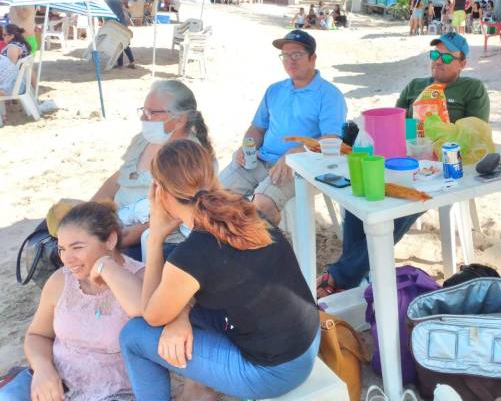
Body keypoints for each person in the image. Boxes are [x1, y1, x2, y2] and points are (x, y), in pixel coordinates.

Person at [119, 140, 320, 401]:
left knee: (133, 337)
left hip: (272, 372)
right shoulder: (247, 213)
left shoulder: (192, 255)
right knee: (175, 294)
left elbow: (151, 315)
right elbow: (219, 276)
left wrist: (155, 235)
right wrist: (179, 317)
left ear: (161, 193)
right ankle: (201, 388)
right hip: (306, 341)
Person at [317, 33, 490, 297]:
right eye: (434, 55)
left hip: (442, 170)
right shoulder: (414, 86)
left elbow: (476, 134)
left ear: (462, 63)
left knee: (402, 206)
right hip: (401, 161)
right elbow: (393, 124)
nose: (438, 61)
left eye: (446, 57)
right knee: (359, 191)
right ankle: (354, 272)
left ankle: (342, 276)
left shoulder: (471, 88)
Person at [0, 202, 144, 401]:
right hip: (57, 383)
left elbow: (141, 309)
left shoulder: (140, 277)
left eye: (77, 247)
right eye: (62, 249)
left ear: (110, 240)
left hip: (115, 393)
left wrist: (105, 267)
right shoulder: (61, 279)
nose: (67, 259)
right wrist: (43, 370)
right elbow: (37, 334)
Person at [219, 29, 347, 225]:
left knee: (261, 206)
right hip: (260, 159)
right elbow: (257, 128)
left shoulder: (329, 95)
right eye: (285, 55)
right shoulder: (275, 90)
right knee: (214, 197)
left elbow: (332, 139)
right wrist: (247, 146)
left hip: (299, 166)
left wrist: (296, 153)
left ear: (313, 58)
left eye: (297, 54)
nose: (290, 60)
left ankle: (268, 252)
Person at [91, 80, 213, 260]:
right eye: (143, 110)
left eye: (151, 113)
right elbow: (117, 179)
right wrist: (89, 210)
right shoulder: (142, 140)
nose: (143, 118)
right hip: (116, 223)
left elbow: (172, 218)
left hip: (153, 240)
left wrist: (113, 238)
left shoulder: (188, 157)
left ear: (179, 120)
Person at [0, 25, 32, 99]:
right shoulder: (21, 45)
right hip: (18, 84)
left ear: (11, 36)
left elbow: (10, 70)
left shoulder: (13, 47)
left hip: (11, 87)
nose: (2, 37)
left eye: (4, 35)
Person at [106, 0, 136, 68]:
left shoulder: (108, 1)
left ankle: (120, 64)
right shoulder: (118, 1)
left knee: (119, 44)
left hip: (116, 24)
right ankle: (130, 62)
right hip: (122, 23)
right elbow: (126, 11)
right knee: (124, 43)